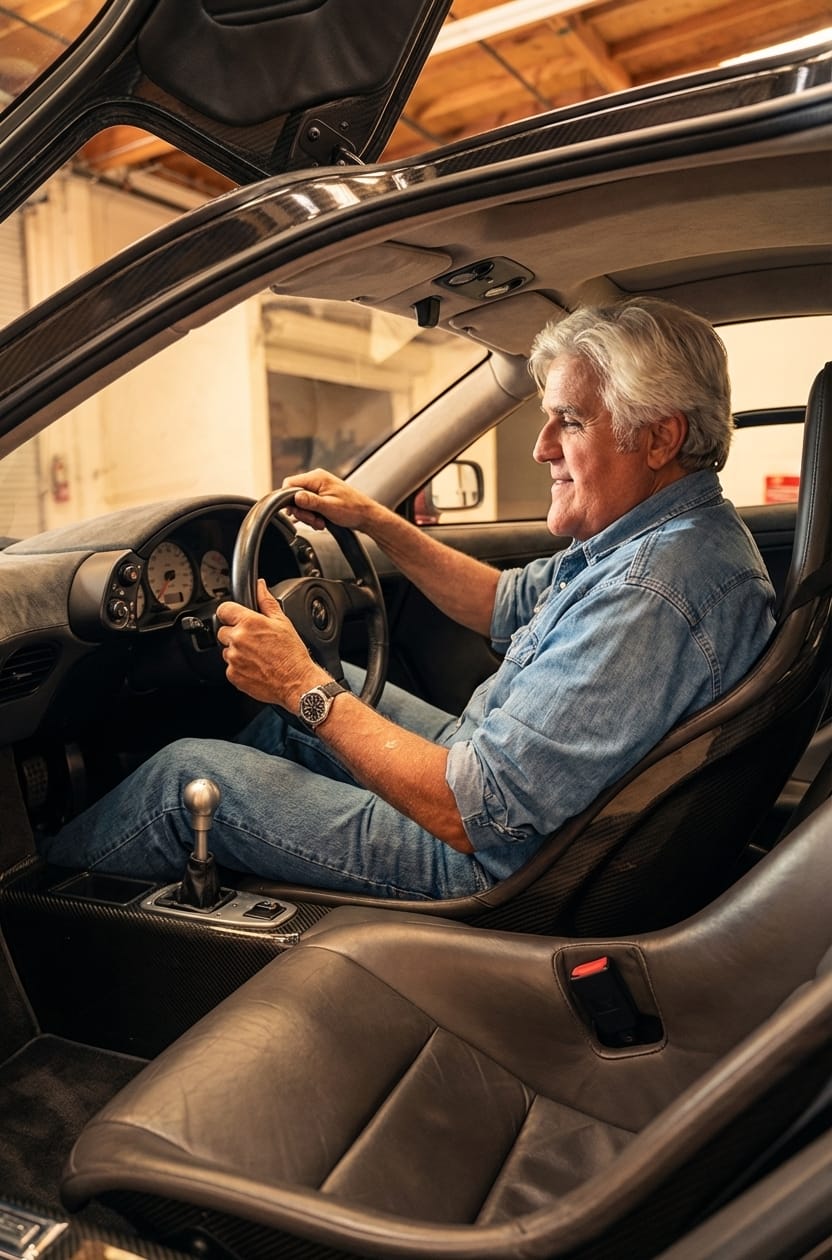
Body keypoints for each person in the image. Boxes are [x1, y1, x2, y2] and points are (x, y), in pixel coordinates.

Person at [40, 298, 776, 899]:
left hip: (488, 860)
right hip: (505, 793)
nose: (541, 446)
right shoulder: (673, 537)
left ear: (660, 437)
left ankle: (35, 903)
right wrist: (377, 522)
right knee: (300, 715)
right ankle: (229, 859)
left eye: (571, 421)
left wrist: (301, 684)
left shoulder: (651, 592)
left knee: (184, 778)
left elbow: (472, 812)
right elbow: (502, 602)